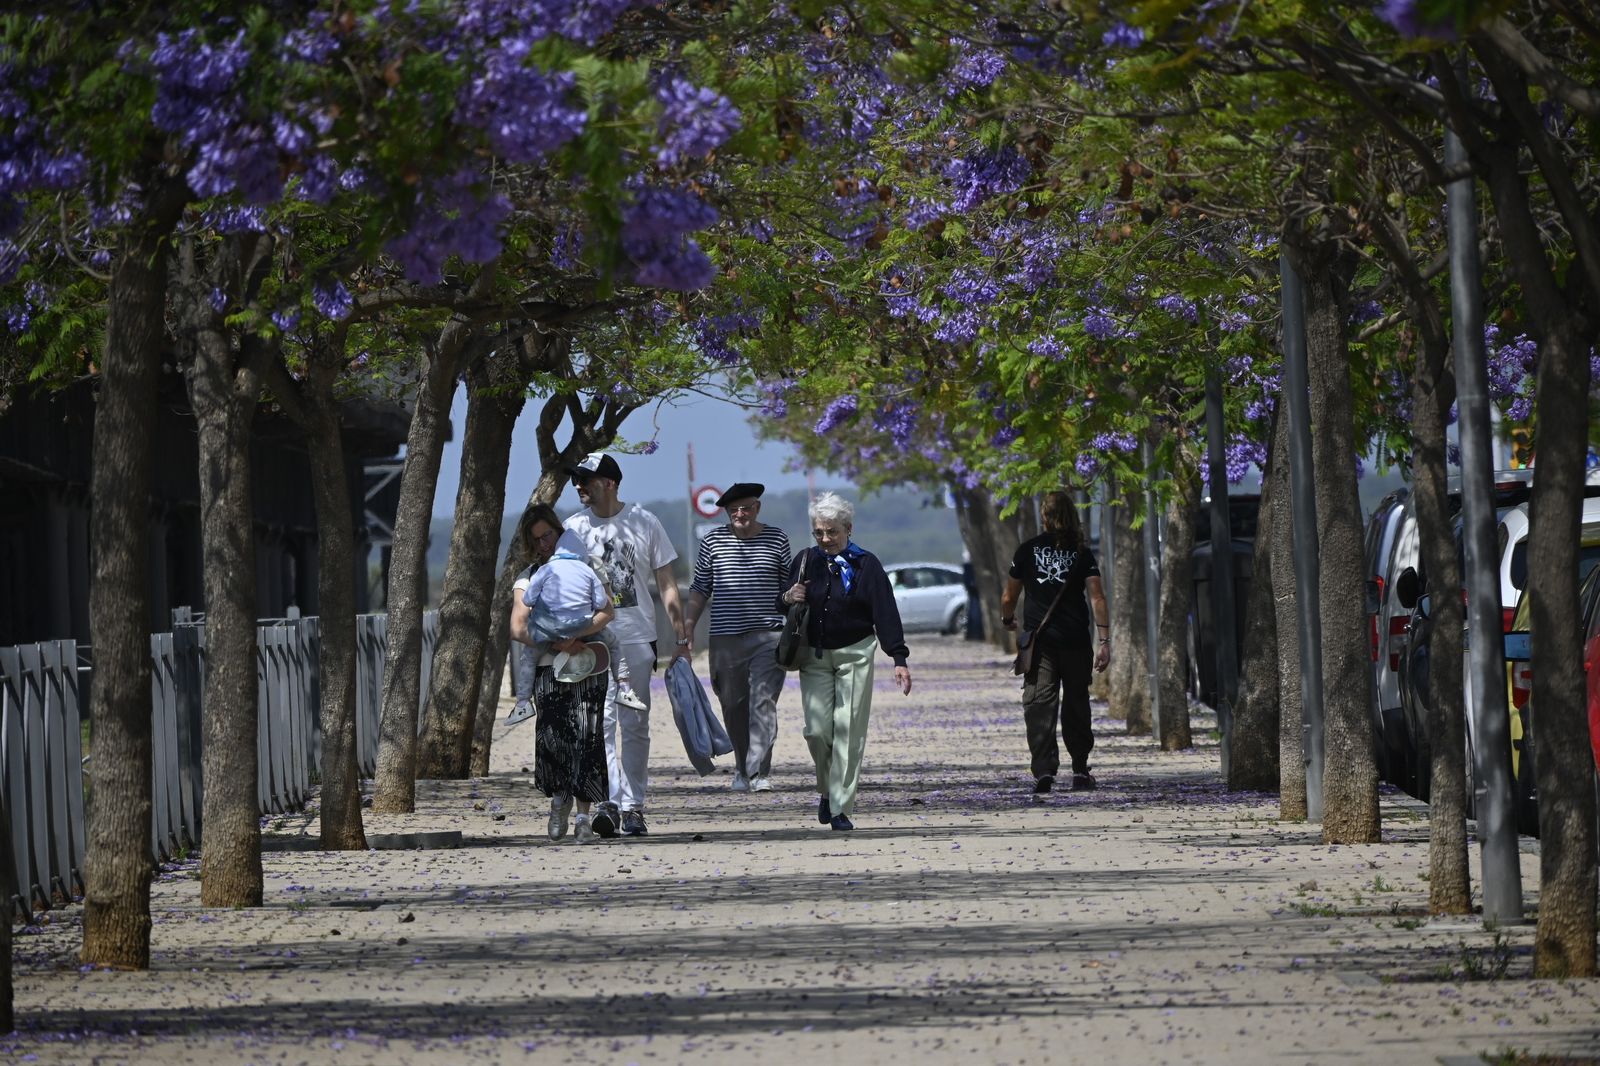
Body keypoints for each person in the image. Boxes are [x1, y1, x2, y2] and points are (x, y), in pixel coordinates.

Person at [562, 452, 687, 838]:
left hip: (635, 638)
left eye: (587, 479)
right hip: (591, 640)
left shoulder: (644, 521)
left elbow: (666, 582)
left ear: (611, 483)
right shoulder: (572, 528)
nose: (579, 486)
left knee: (634, 725)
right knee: (601, 725)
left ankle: (634, 806)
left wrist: (681, 633)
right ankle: (610, 802)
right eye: (576, 480)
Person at [779, 491, 911, 831]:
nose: (825, 539)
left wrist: (898, 657)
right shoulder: (807, 559)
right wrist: (788, 595)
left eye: (832, 531)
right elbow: (782, 601)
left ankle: (839, 807)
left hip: (856, 653)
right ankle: (826, 789)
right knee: (817, 731)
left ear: (848, 528)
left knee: (848, 731)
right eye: (819, 532)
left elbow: (885, 612)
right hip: (815, 656)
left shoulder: (867, 565)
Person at [510, 504, 612, 844]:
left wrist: (578, 636)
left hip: (588, 663)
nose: (544, 544)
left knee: (587, 737)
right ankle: (559, 802)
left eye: (548, 535)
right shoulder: (529, 575)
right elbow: (517, 626)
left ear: (559, 531)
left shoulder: (587, 566)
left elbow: (606, 610)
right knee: (554, 740)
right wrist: (555, 643)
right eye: (536, 539)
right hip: (547, 668)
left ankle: (584, 815)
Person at [679, 482, 792, 793]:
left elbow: (789, 588)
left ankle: (758, 773)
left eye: (745, 508)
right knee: (733, 704)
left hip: (768, 635)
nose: (740, 514)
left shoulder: (777, 538)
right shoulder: (713, 541)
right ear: (727, 513)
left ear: (757, 508)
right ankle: (742, 768)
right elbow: (700, 587)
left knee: (763, 701)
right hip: (726, 638)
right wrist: (689, 624)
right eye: (733, 510)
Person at [999, 490, 1110, 794]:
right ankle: (1079, 769)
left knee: (1039, 703)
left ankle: (1044, 770)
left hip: (1042, 644)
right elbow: (1097, 597)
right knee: (1076, 704)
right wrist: (1104, 640)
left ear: (1044, 517)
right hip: (1075, 640)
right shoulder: (1082, 553)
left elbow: (1009, 597)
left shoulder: (1026, 550)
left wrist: (1008, 619)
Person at [521, 530, 648, 713]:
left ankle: (523, 703)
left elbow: (527, 600)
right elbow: (601, 602)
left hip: (549, 629)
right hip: (583, 625)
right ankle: (625, 689)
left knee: (529, 656)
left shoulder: (544, 569)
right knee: (613, 644)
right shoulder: (588, 570)